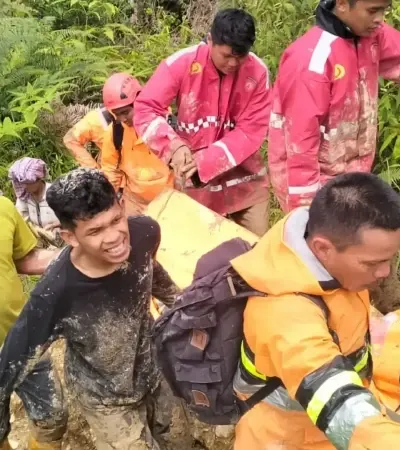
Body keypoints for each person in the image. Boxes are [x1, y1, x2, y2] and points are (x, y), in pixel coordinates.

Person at [0, 168, 179, 450]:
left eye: (115, 220)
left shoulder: (144, 232)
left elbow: (152, 272)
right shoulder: (55, 293)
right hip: (105, 397)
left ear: (122, 207)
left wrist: (180, 305)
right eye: (95, 231)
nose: (114, 238)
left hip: (154, 368)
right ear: (70, 237)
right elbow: (13, 361)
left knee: (178, 441)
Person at [230, 172, 400, 449]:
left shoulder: (333, 259)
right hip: (289, 439)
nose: (384, 272)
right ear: (322, 248)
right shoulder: (284, 312)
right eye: (373, 263)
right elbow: (333, 396)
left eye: (390, 259)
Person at [134, 8, 271, 236]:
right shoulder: (181, 64)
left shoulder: (257, 72)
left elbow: (251, 130)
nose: (233, 63)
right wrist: (174, 146)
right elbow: (145, 108)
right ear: (210, 40)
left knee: (255, 251)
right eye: (227, 55)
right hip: (197, 185)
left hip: (245, 182)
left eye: (241, 56)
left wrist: (205, 161)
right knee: (201, 253)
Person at [268, 0, 400, 212]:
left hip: (354, 175)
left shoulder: (369, 34)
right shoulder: (312, 61)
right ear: (342, 4)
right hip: (314, 183)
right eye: (373, 11)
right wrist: (305, 211)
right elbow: (300, 145)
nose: (380, 19)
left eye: (384, 10)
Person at [0, 195, 67, 450]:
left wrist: (79, 252)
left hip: (23, 338)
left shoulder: (3, 207)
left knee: (52, 417)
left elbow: (24, 258)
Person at [99, 73, 173, 216]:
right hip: (135, 202)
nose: (121, 119)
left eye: (125, 112)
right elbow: (110, 170)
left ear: (140, 101)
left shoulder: (167, 125)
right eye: (116, 114)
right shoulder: (115, 132)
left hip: (171, 201)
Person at [8, 157, 60, 230]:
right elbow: (21, 217)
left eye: (28, 183)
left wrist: (54, 225)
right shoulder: (24, 195)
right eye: (22, 183)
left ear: (38, 179)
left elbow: (74, 217)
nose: (25, 186)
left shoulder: (56, 193)